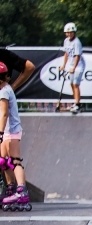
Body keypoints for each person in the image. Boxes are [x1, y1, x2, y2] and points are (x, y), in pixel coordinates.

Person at [0, 61, 31, 211]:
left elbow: (4, 113)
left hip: (11, 131)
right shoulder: (3, 89)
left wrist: (0, 133)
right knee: (4, 162)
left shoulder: (4, 91)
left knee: (14, 161)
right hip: (6, 132)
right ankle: (11, 189)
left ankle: (21, 191)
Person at [59, 22, 85, 114]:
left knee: (75, 84)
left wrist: (74, 67)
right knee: (71, 84)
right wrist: (63, 65)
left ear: (74, 32)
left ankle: (77, 104)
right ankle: (76, 102)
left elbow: (77, 56)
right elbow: (66, 53)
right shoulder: (66, 41)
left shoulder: (77, 42)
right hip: (71, 65)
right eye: (67, 32)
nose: (69, 34)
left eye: (71, 32)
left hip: (78, 65)